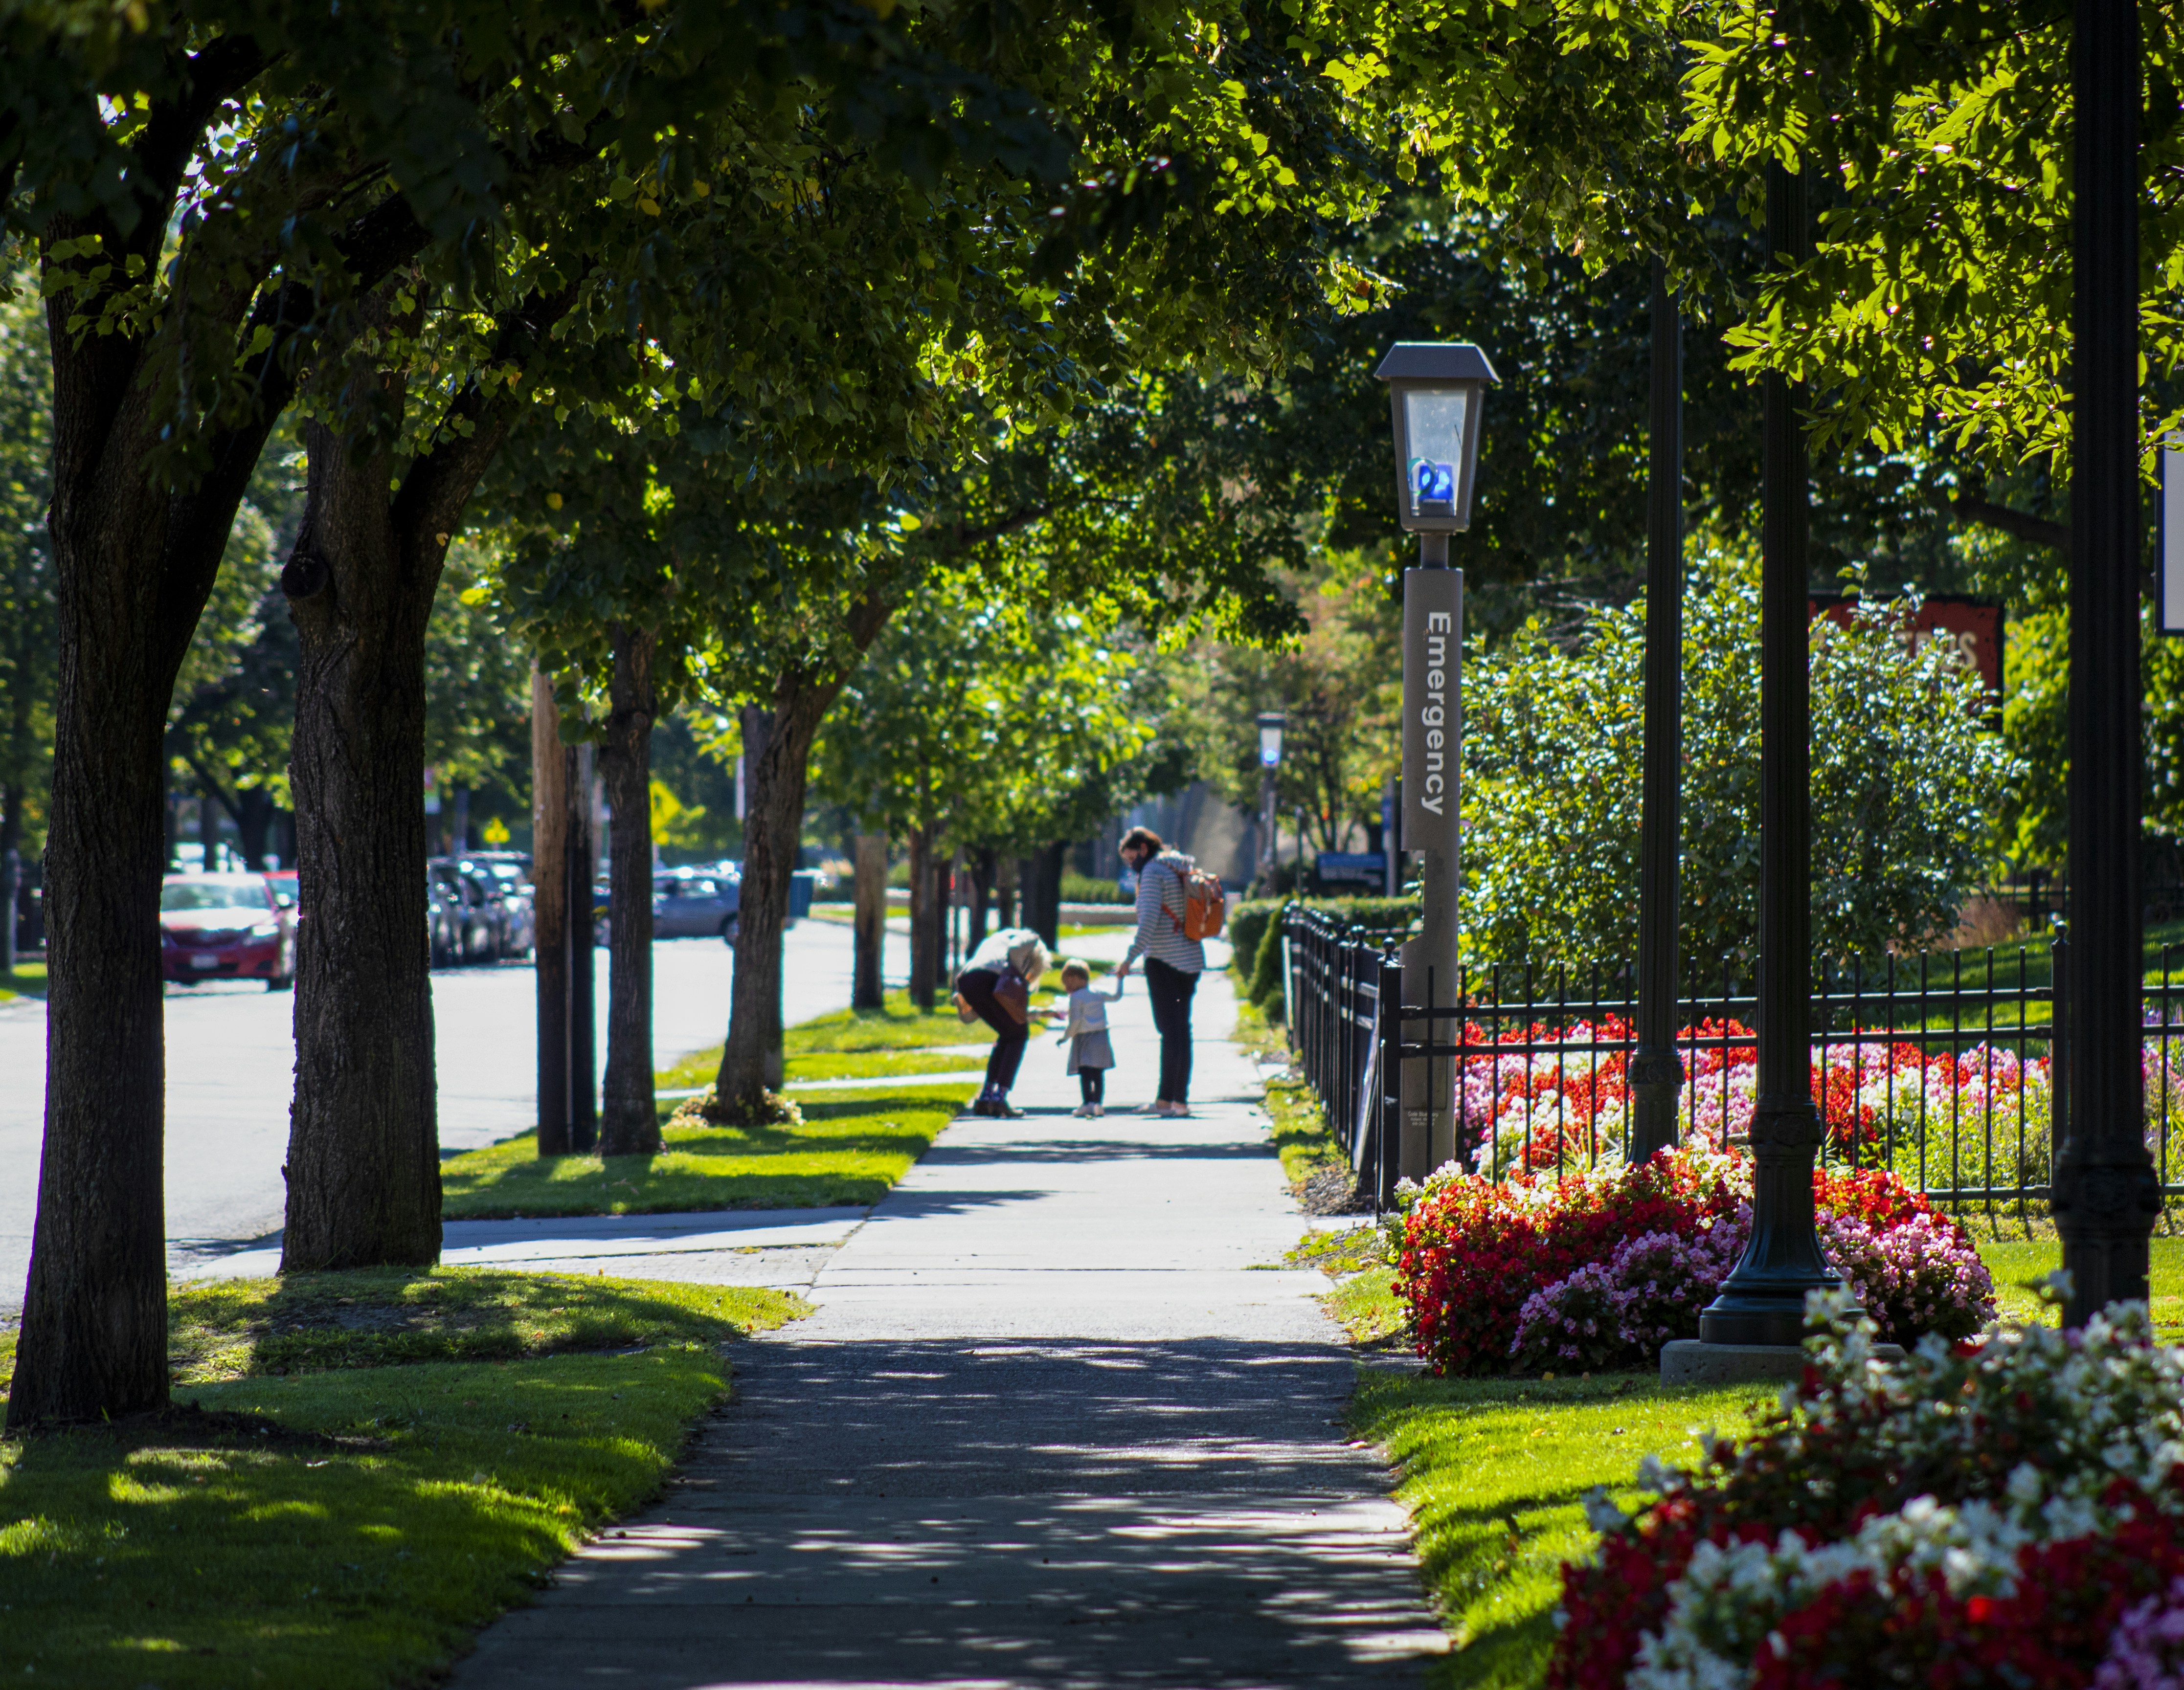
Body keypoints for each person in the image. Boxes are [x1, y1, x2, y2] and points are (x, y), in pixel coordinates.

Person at [1114, 825, 1204, 1116]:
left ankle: (1168, 1101)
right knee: (1181, 1030)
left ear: (1142, 848)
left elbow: (1149, 920)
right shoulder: (1179, 868)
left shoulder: (1152, 873)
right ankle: (1177, 1100)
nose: (1131, 866)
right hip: (1190, 960)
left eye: (1131, 859)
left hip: (1164, 961)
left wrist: (1129, 959)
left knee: (1170, 1031)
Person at [953, 925, 1052, 1118]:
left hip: (968, 981)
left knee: (1008, 1034)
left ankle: (986, 1097)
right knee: (1020, 1035)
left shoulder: (996, 939)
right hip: (989, 980)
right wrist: (1017, 981)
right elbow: (1017, 949)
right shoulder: (1030, 937)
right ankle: (999, 1099)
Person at [1053, 959, 1124, 1117]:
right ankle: (1098, 1103)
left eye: (1067, 983)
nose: (1066, 988)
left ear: (1076, 979)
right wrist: (1120, 979)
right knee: (1098, 1072)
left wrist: (1065, 1037)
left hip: (1083, 1038)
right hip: (1101, 1036)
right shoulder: (1097, 992)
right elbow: (1116, 996)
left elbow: (1075, 1022)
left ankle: (1087, 1103)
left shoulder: (1076, 998)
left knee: (1085, 1072)